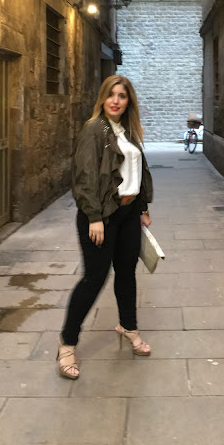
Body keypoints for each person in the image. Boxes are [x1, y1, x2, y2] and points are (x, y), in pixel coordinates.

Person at [57, 75, 154, 379]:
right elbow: (84, 177)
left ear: (128, 101)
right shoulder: (95, 129)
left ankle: (128, 326)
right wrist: (94, 217)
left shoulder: (127, 130)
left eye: (122, 96)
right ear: (103, 97)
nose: (116, 101)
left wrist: (142, 207)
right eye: (111, 94)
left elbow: (136, 171)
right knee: (94, 279)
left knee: (126, 274)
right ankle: (67, 342)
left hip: (128, 214)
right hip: (103, 216)